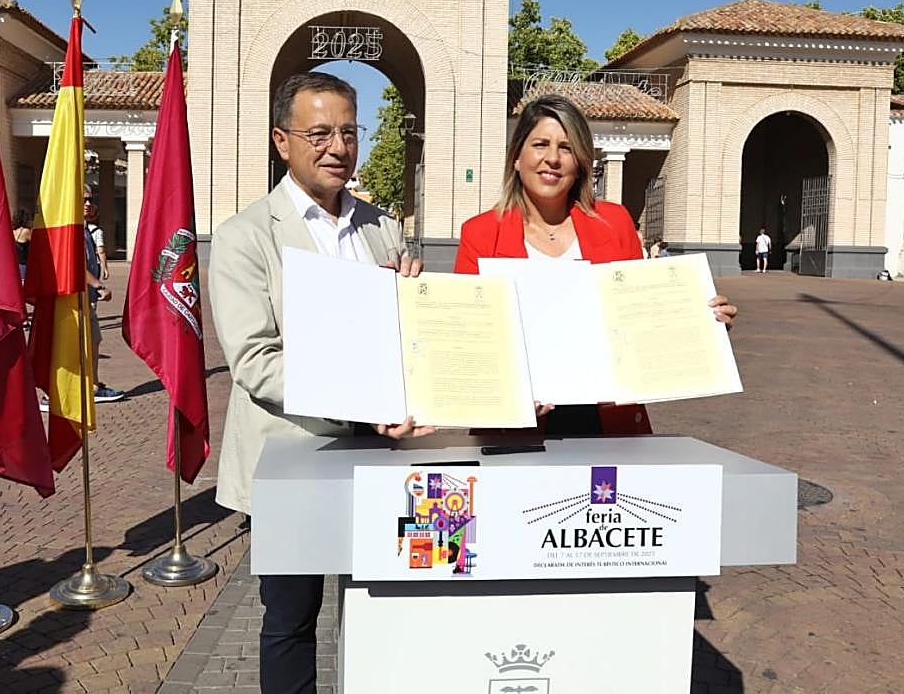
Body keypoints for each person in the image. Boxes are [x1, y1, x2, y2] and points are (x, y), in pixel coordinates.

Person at [209, 71, 431, 694]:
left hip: (381, 456)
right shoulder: (244, 236)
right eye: (319, 133)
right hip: (292, 458)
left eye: (349, 132)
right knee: (290, 621)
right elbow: (255, 360)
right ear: (282, 141)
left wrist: (412, 305)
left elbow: (402, 337)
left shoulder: (382, 228)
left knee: (379, 607)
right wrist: (363, 398)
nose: (337, 146)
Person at [453, 94, 737, 435]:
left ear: (581, 162)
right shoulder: (480, 233)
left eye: (567, 148)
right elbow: (468, 337)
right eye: (540, 144)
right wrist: (506, 394)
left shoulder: (614, 222)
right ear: (517, 157)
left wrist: (702, 322)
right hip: (517, 421)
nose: (552, 159)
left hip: (605, 418)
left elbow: (642, 315)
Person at [85, 188, 123, 403]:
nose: (88, 204)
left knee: (93, 342)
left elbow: (97, 253)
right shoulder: (73, 230)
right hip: (76, 301)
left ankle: (93, 385)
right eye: (83, 200)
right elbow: (74, 265)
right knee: (83, 344)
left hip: (86, 299)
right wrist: (99, 285)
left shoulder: (85, 230)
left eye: (90, 200)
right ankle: (89, 388)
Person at [86, 201, 109, 281]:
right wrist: (105, 267)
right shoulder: (97, 231)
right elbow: (101, 251)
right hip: (93, 264)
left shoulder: (82, 228)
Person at [12, 209, 32, 281]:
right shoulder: (26, 231)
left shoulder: (13, 231)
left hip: (14, 264)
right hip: (23, 264)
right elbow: (34, 245)